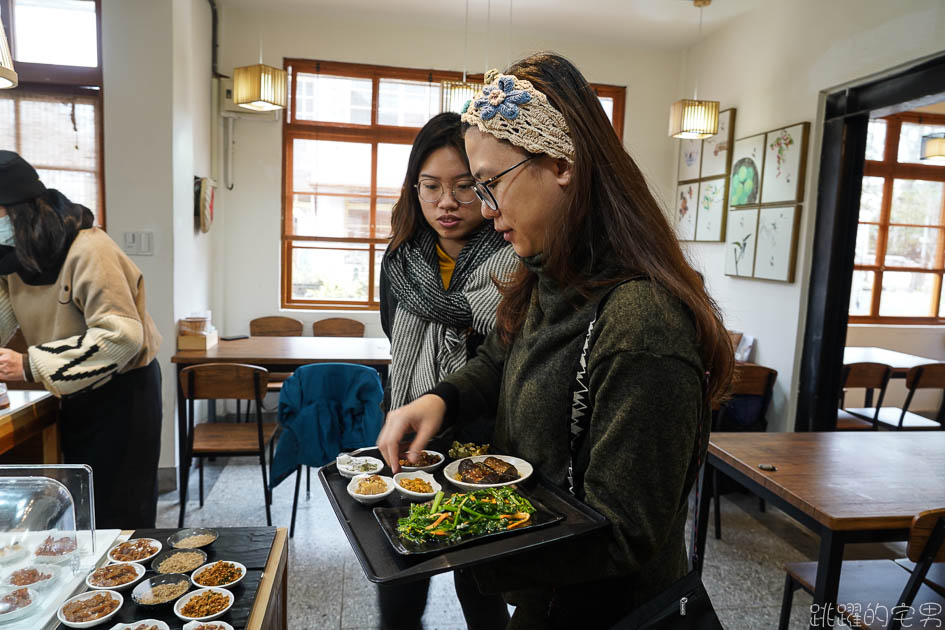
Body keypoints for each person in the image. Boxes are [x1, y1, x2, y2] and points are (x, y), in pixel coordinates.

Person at [377, 53, 733, 629]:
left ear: (561, 164)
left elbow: (624, 534)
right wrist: (439, 400)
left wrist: (457, 543)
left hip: (609, 610)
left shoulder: (641, 322)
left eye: (490, 186)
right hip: (547, 598)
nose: (486, 213)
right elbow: (502, 355)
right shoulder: (552, 273)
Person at [377, 112, 517, 629]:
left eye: (465, 186)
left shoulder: (518, 255)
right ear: (415, 188)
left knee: (481, 587)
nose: (447, 203)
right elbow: (397, 336)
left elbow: (507, 359)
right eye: (431, 186)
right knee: (400, 575)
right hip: (409, 435)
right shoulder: (400, 261)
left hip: (487, 442)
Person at [0, 151, 162, 529]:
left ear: (13, 210)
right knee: (87, 511)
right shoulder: (13, 256)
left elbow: (122, 337)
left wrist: (25, 364)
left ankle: (131, 588)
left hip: (123, 395)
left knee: (121, 514)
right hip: (74, 391)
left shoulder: (89, 248)